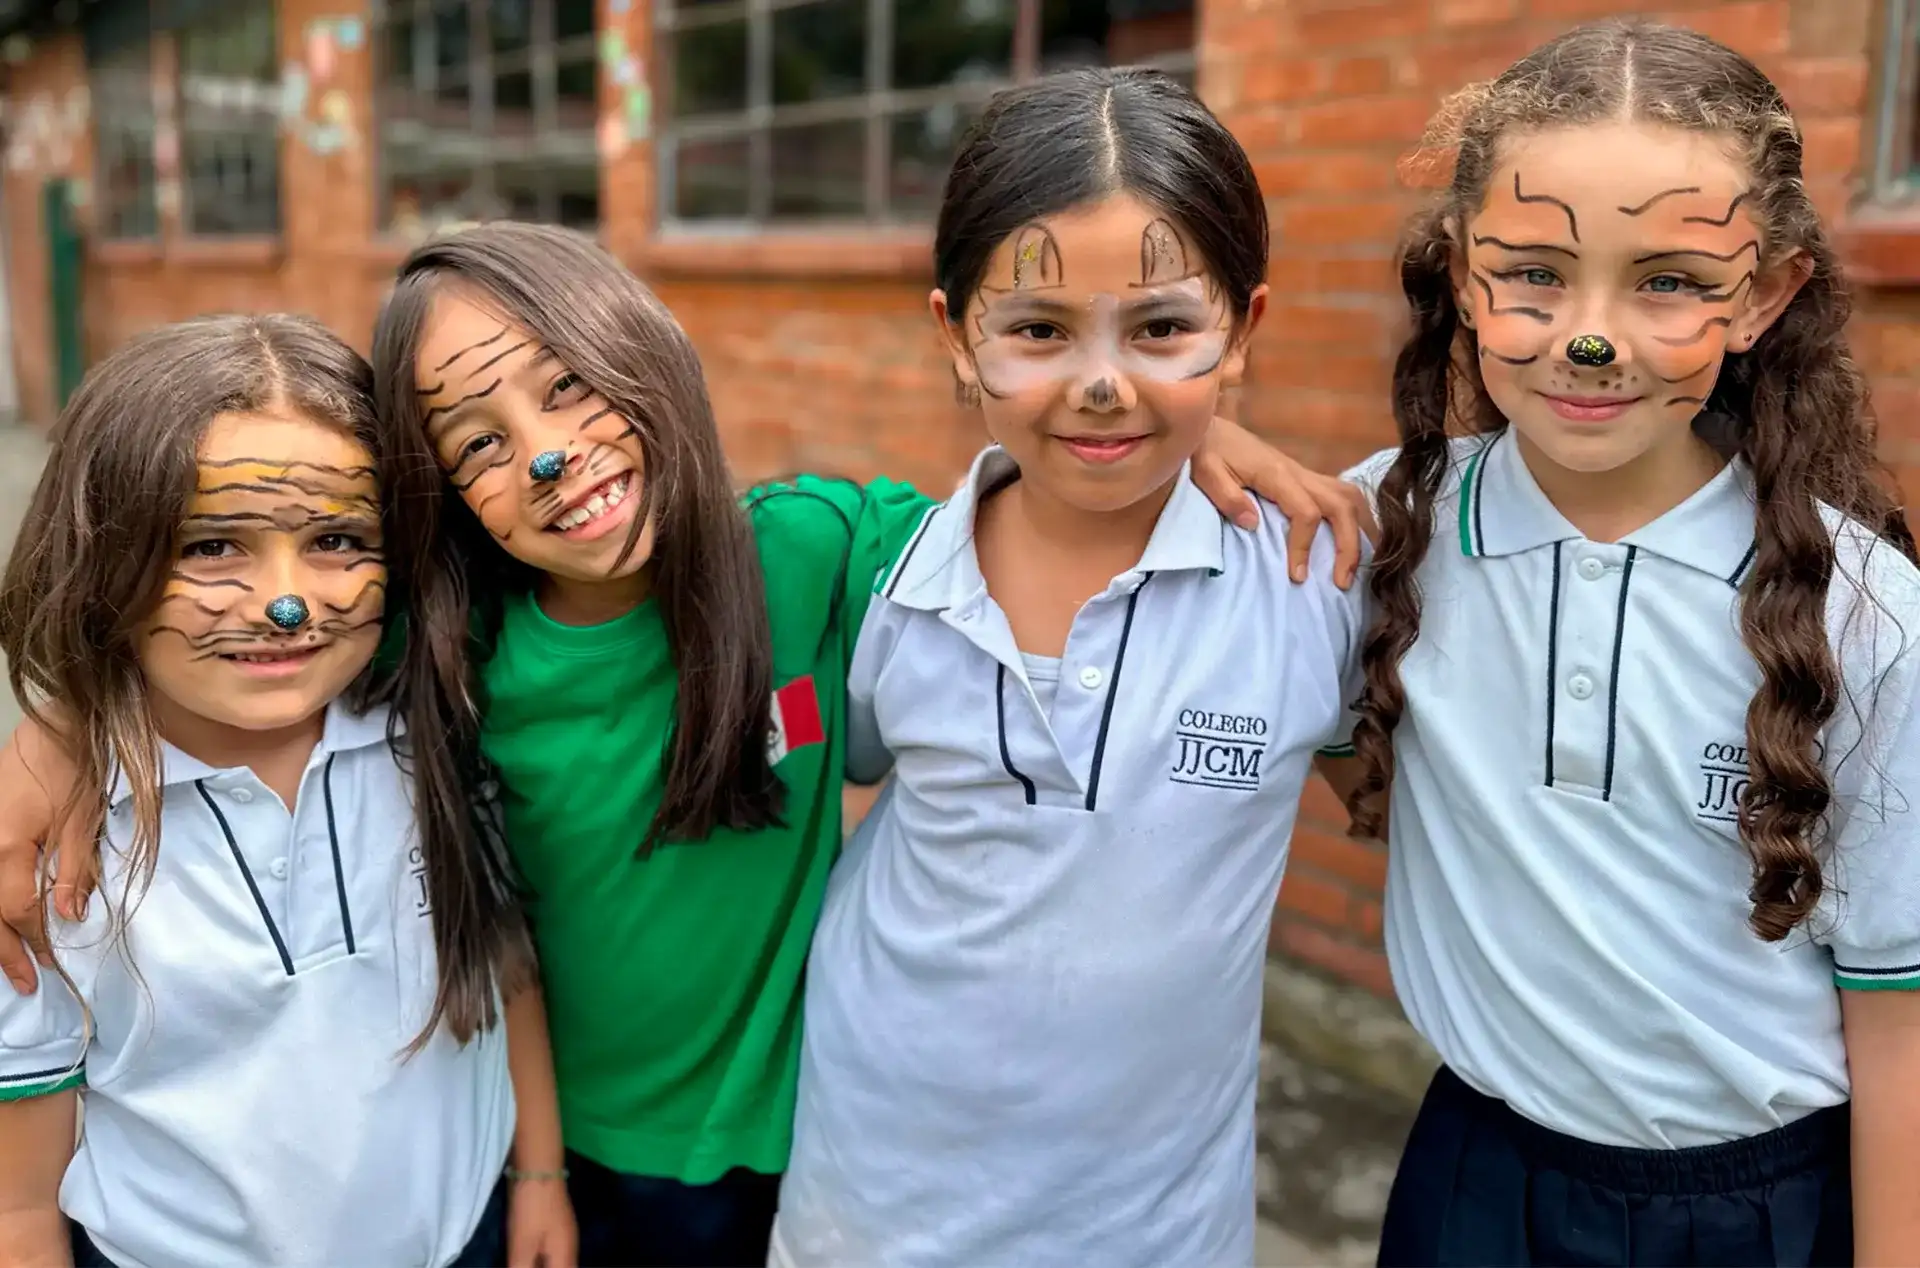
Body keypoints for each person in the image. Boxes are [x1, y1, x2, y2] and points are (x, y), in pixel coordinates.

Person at [0, 222, 1367, 1267]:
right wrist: (60, 733)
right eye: (477, 439)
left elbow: (1031, 512)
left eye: (569, 386)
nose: (545, 456)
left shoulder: (820, 551)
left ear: (645, 345)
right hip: (572, 1169)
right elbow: (242, 651)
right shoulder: (447, 651)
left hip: (827, 1147)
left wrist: (1180, 428)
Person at [1315, 20, 1920, 1266]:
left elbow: (1900, 1007)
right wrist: (1202, 444)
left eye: (1670, 281)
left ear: (1764, 295)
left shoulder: (1871, 618)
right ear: (1463, 273)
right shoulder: (1381, 530)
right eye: (1533, 272)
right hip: (1476, 1176)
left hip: (1765, 1209)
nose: (1592, 340)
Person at [769, 67, 1366, 1267]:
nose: (1102, 382)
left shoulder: (1318, 581)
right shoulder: (881, 577)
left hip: (1153, 1232)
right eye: (1038, 330)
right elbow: (820, 747)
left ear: (1242, 331)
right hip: (864, 1207)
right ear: (955, 334)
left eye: (1160, 329)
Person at [0, 315, 574, 1268]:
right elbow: (19, 1205)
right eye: (213, 546)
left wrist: (541, 1174)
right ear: (107, 558)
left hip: (463, 1240)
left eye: (338, 539)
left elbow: (500, 964)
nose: (287, 604)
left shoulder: (430, 736)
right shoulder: (52, 852)